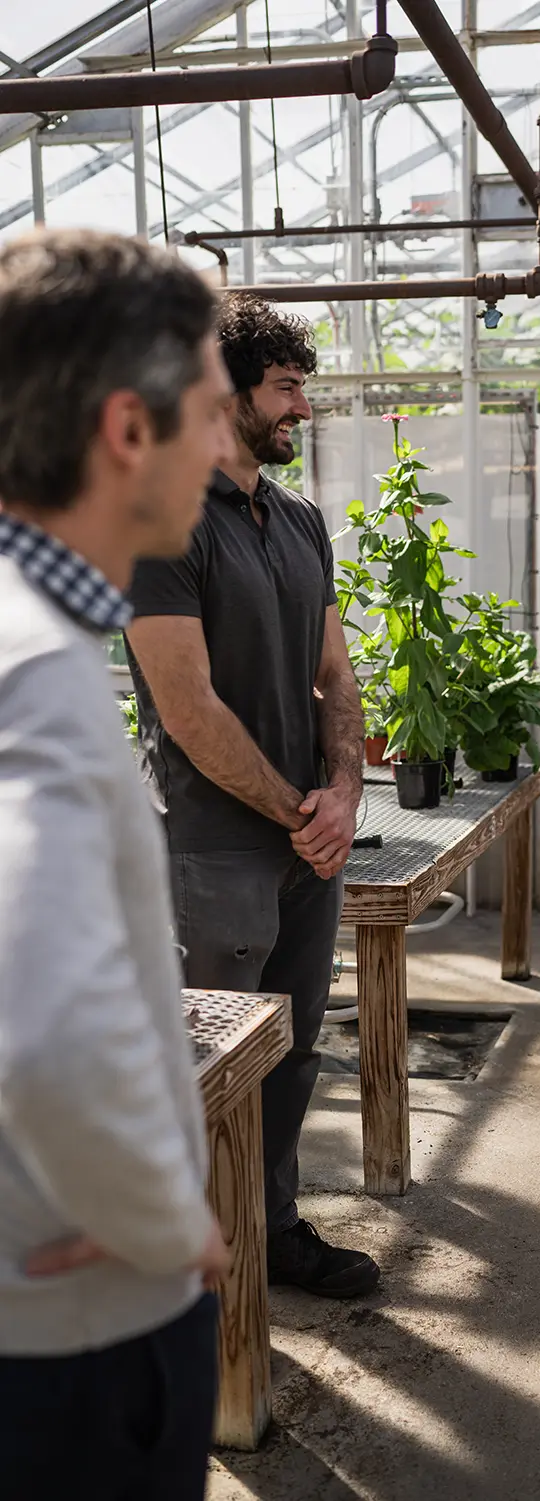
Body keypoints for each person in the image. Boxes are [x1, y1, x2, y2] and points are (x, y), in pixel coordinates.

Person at [0, 229, 236, 1499]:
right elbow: (38, 1036)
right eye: (207, 410)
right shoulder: (41, 671)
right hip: (77, 1333)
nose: (223, 442)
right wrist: (160, 1216)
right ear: (125, 430)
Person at [125, 293, 379, 1300]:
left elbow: (336, 672)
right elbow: (186, 710)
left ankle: (267, 1231)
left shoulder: (298, 519)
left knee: (291, 1049)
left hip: (302, 842)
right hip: (208, 849)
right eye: (285, 388)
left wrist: (348, 787)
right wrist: (300, 809)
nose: (302, 410)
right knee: (200, 1073)